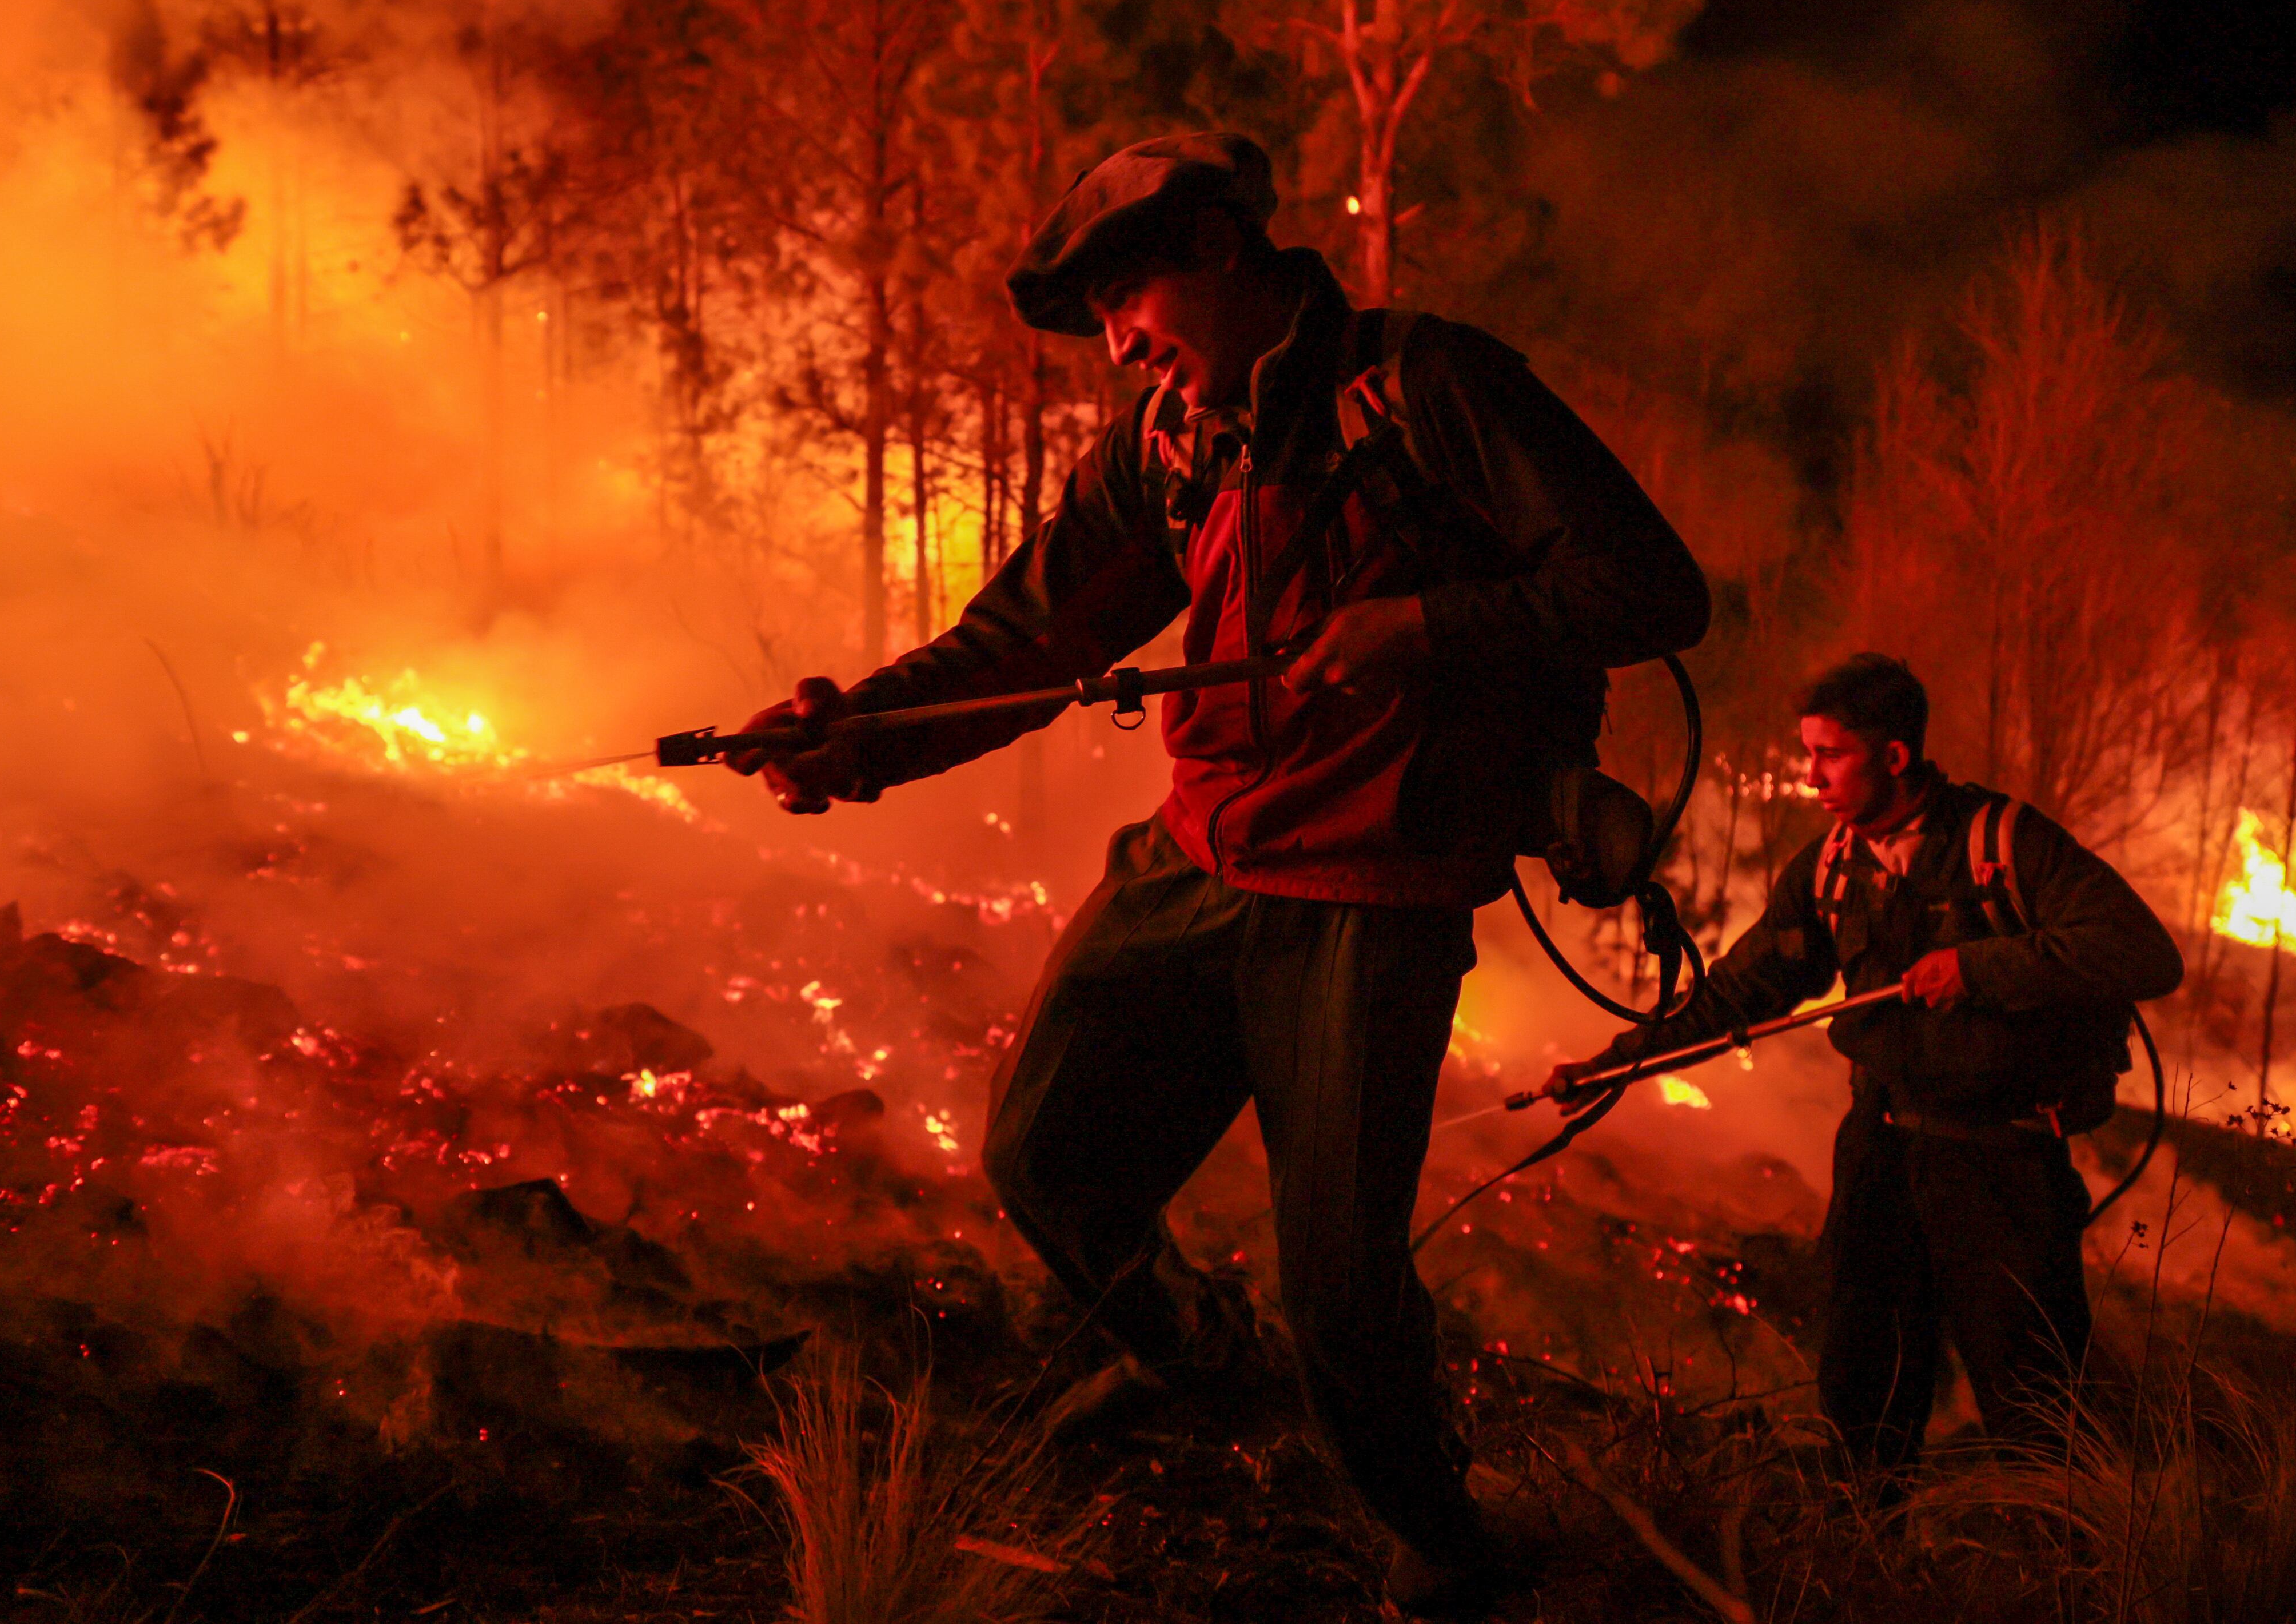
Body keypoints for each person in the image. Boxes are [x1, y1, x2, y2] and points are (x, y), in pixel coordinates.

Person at [730, 132, 1709, 1615]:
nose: (1119, 346)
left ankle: (1445, 1542)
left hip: (1370, 901)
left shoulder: (1425, 388)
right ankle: (1202, 1354)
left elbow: (1650, 586)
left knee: (1341, 1277)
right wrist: (854, 735)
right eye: (1103, 320)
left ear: (1226, 250)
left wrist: (1423, 626)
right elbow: (1029, 643)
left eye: (1129, 297)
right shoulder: (1169, 447)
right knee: (1046, 1157)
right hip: (1195, 861)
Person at [1548, 652, 2180, 1478]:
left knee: (2035, 1399)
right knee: (1860, 1392)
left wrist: (1979, 969)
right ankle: (1858, 1558)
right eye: (1806, 753)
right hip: (1879, 1153)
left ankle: (2061, 1568)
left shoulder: (2005, 844)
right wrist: (1611, 1063)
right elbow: (1738, 994)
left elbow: (2143, 953)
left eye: (1830, 754)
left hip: (2003, 1166)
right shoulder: (1827, 869)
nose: (1810, 777)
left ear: (1894, 755)